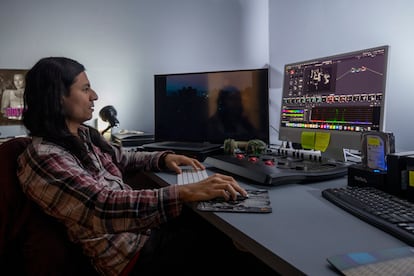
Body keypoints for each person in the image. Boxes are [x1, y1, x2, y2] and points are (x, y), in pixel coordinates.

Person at [17, 57, 275, 275]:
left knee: (218, 226)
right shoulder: (46, 157)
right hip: (132, 257)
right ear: (57, 97)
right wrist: (185, 191)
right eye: (85, 89)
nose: (94, 96)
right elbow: (102, 207)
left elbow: (121, 158)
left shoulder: (79, 135)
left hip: (142, 231)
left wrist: (162, 158)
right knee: (241, 253)